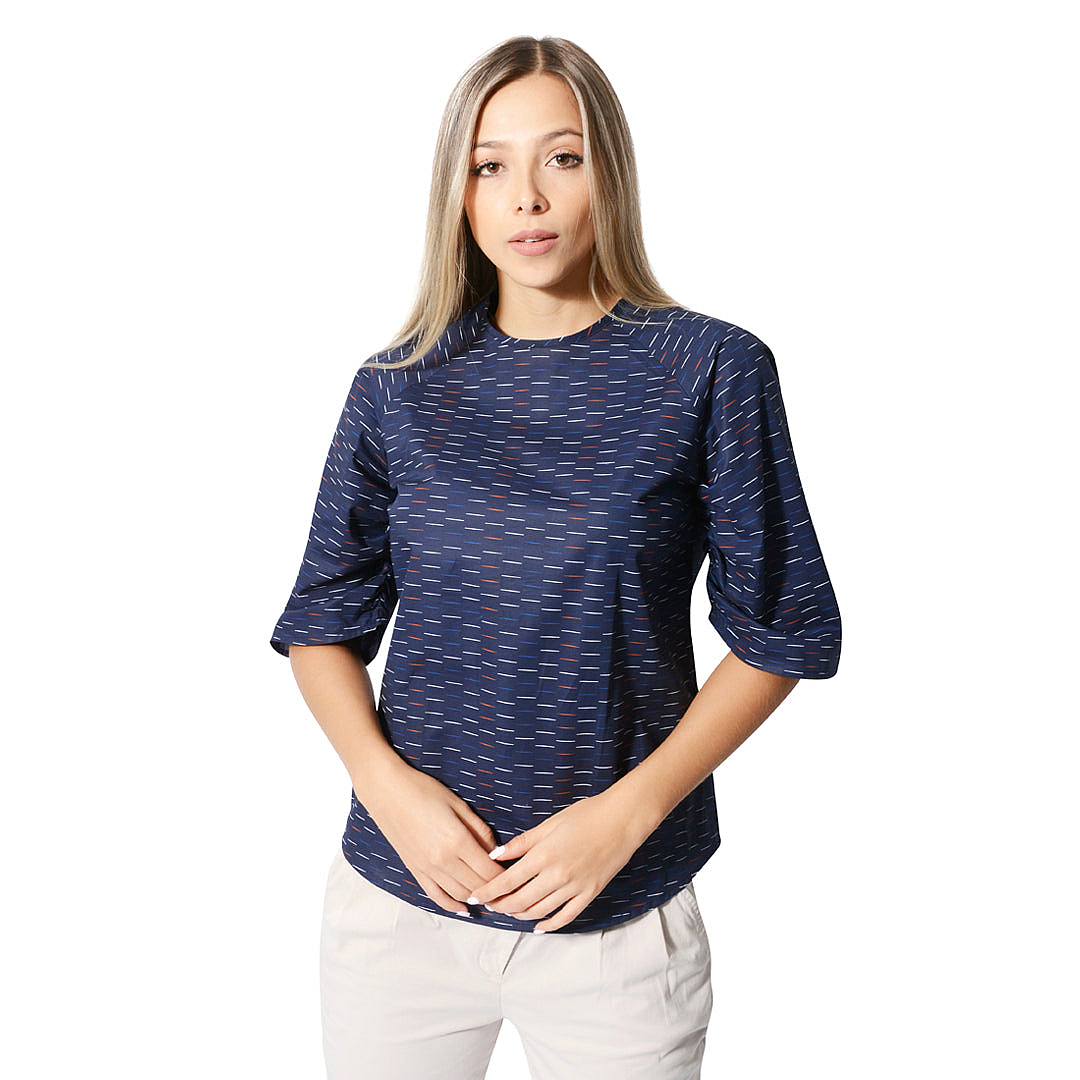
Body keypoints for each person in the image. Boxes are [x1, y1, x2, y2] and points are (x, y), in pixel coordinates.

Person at [269, 34, 841, 1080]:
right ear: (458, 193)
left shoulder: (709, 368)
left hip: (618, 916)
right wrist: (386, 789)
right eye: (490, 166)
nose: (526, 197)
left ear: (608, 173)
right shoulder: (396, 385)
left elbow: (786, 629)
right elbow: (320, 626)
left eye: (562, 158)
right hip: (402, 909)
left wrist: (626, 817)